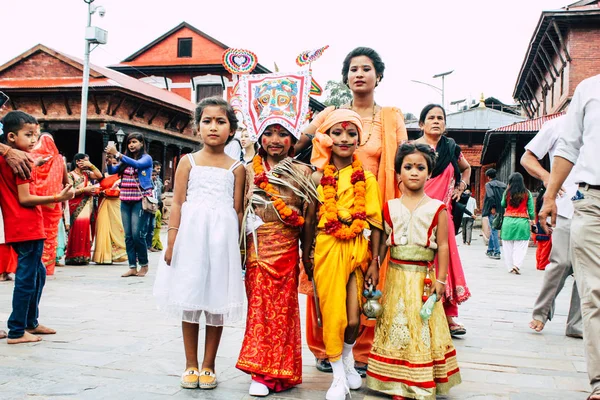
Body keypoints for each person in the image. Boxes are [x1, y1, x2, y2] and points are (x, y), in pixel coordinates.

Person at [300, 46, 408, 374]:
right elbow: (302, 140)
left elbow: (403, 162)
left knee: (369, 279)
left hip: (372, 208)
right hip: (332, 206)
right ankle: (323, 347)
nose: (359, 74)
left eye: (366, 69)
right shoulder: (331, 112)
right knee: (324, 278)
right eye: (353, 69)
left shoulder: (391, 115)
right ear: (346, 77)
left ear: (379, 76)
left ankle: (361, 350)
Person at [235, 71, 318, 397]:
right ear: (259, 136)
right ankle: (259, 370)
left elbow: (309, 218)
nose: (275, 140)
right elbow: (239, 210)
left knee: (283, 312)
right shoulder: (247, 168)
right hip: (256, 250)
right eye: (268, 132)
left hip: (286, 252)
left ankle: (281, 372)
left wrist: (307, 255)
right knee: (259, 308)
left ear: (293, 138)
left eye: (283, 133)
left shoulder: (303, 172)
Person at [153, 97, 245, 390]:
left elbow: (238, 209)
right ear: (197, 127)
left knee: (216, 302)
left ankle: (209, 365)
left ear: (231, 129)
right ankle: (190, 363)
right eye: (207, 121)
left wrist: (239, 248)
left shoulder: (237, 168)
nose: (213, 127)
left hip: (222, 240)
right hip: (191, 238)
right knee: (190, 299)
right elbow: (178, 203)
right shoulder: (187, 162)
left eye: (221, 121)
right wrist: (172, 240)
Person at [367, 142, 461, 399]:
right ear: (398, 172)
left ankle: (418, 380)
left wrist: (441, 280)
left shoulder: (437, 208)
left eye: (421, 167)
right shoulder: (390, 207)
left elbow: (442, 246)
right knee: (397, 325)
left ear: (429, 173)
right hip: (396, 277)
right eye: (408, 167)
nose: (414, 172)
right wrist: (375, 265)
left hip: (423, 279)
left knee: (421, 327)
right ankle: (393, 379)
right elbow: (384, 242)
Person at [304, 109, 383, 400]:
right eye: (337, 133)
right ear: (326, 138)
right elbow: (310, 220)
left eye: (351, 133)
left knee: (353, 318)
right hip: (326, 248)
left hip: (356, 251)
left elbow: (375, 223)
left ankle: (347, 358)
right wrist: (306, 256)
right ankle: (338, 377)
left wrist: (375, 262)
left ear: (359, 140)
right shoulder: (316, 178)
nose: (345, 139)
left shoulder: (368, 178)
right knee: (333, 316)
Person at [539, 74, 600, 400]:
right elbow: (569, 146)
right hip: (592, 202)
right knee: (594, 290)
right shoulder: (589, 90)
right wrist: (550, 195)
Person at [0, 110, 74, 344]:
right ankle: (17, 329)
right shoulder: (20, 161)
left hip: (17, 224)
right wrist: (56, 197)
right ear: (11, 137)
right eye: (29, 135)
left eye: (37, 135)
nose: (34, 140)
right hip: (28, 224)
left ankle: (30, 322)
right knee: (27, 277)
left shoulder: (11, 158)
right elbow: (25, 198)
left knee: (38, 273)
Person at [521, 115, 582, 337]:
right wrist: (547, 178)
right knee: (562, 262)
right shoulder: (558, 124)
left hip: (594, 204)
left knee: (591, 269)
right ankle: (541, 311)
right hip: (566, 205)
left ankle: (577, 324)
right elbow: (527, 158)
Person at [415, 104, 471, 337]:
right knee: (419, 263)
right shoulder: (412, 148)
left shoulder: (451, 148)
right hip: (417, 213)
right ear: (421, 124)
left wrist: (462, 186)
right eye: (431, 118)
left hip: (443, 214)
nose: (436, 121)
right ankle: (416, 312)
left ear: (445, 124)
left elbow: (466, 169)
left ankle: (449, 317)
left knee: (445, 262)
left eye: (440, 118)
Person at [105, 132, 154, 278]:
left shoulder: (146, 158)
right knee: (127, 236)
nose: (131, 145)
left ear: (141, 143)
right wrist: (109, 161)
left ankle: (144, 265)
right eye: (129, 143)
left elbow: (138, 165)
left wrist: (118, 154)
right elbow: (113, 171)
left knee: (137, 234)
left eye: (134, 142)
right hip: (125, 200)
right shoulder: (126, 160)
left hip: (139, 200)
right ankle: (132, 266)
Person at [30, 133, 69, 275]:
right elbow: (67, 184)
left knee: (34, 233)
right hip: (53, 202)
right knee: (50, 234)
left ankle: (32, 265)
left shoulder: (31, 158)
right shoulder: (59, 159)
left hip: (33, 201)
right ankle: (46, 267)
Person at [65, 153, 102, 265]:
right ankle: (73, 256)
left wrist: (91, 165)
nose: (86, 163)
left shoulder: (87, 174)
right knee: (76, 229)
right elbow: (71, 192)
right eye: (84, 161)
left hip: (87, 206)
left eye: (88, 161)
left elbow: (99, 175)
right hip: (76, 205)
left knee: (85, 229)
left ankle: (84, 256)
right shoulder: (70, 175)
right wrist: (84, 190)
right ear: (77, 162)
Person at [92, 155, 127, 264]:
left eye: (115, 163)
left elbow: (122, 191)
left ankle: (117, 253)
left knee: (117, 226)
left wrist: (109, 191)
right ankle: (103, 256)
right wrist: (99, 191)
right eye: (109, 162)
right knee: (103, 226)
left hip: (115, 204)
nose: (112, 165)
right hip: (103, 202)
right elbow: (97, 187)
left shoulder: (122, 177)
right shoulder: (103, 176)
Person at [500, 172, 534, 275]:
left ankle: (510, 267)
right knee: (521, 246)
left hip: (508, 221)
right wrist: (532, 219)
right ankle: (517, 265)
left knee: (507, 245)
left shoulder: (507, 192)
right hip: (522, 222)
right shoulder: (527, 193)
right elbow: (531, 209)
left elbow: (502, 204)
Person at [482, 168, 507, 260]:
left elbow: (490, 195)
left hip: (493, 210)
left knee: (494, 231)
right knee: (493, 230)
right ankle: (490, 249)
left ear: (488, 177)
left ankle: (497, 252)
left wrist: (492, 207)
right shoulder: (503, 185)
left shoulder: (488, 185)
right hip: (501, 209)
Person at [532, 187, 552, 271]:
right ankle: (543, 264)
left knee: (540, 246)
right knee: (546, 247)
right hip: (547, 223)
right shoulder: (548, 198)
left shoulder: (539, 199)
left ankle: (539, 263)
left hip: (539, 223)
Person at [146, 161, 163, 251]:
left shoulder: (157, 183)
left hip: (155, 205)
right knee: (146, 225)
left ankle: (149, 245)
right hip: (148, 205)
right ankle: (145, 245)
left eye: (155, 175)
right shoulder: (148, 183)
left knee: (152, 226)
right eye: (152, 175)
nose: (154, 177)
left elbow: (159, 193)